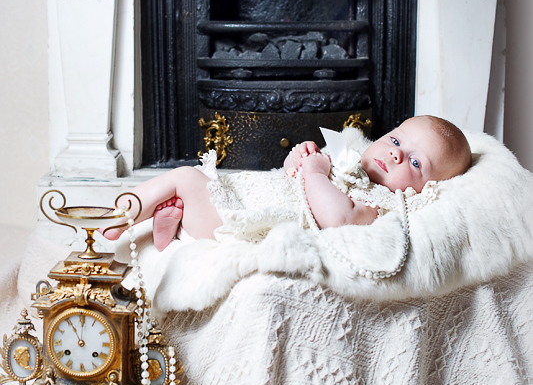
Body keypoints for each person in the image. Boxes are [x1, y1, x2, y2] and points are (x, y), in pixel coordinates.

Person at [103, 115, 472, 252]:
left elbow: (337, 218)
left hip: (244, 229)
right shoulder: (347, 157)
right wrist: (298, 158)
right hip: (246, 196)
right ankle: (175, 221)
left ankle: (114, 217)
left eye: (415, 162)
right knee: (194, 182)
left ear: (426, 190)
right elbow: (288, 179)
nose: (395, 153)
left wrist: (314, 173)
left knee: (185, 177)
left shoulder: (381, 205)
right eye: (395, 140)